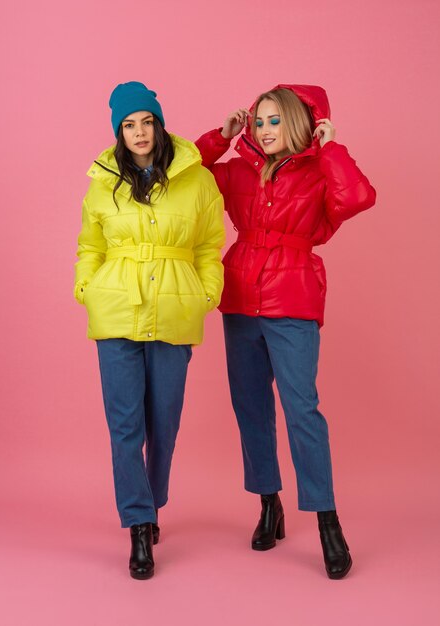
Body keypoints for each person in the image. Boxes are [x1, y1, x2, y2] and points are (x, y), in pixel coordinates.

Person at [196, 84, 376, 579]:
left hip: (293, 296)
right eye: (258, 121)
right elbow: (183, 173)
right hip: (240, 295)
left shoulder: (320, 172)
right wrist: (220, 137)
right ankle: (268, 503)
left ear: (299, 123)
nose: (264, 130)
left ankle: (327, 521)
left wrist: (331, 146)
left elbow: (358, 197)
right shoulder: (237, 171)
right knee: (250, 405)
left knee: (302, 409)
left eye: (276, 121)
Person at [74, 81, 225, 580]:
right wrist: (87, 287)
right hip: (115, 308)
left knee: (165, 419)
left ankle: (152, 501)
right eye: (128, 124)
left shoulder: (197, 180)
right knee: (125, 424)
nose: (139, 132)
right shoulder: (102, 182)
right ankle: (139, 525)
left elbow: (209, 246)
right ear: (119, 131)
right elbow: (89, 246)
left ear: (160, 124)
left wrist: (206, 294)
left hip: (175, 308)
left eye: (146, 121)